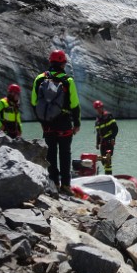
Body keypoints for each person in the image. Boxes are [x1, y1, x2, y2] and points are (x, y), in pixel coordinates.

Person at [31, 49, 81, 195]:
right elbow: (75, 104)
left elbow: (34, 102)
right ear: (63, 63)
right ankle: (66, 185)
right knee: (65, 154)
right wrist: (77, 123)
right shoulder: (67, 80)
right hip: (64, 123)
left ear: (50, 62)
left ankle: (53, 184)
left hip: (47, 123)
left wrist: (42, 120)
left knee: (51, 154)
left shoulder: (40, 78)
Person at [93, 100, 119, 174]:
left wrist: (113, 138)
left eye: (99, 107)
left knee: (108, 161)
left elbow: (115, 129)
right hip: (102, 143)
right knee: (103, 161)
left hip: (109, 141)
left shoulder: (108, 116)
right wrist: (97, 143)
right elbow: (98, 132)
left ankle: (109, 177)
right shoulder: (97, 119)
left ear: (102, 107)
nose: (98, 109)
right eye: (97, 108)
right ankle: (107, 176)